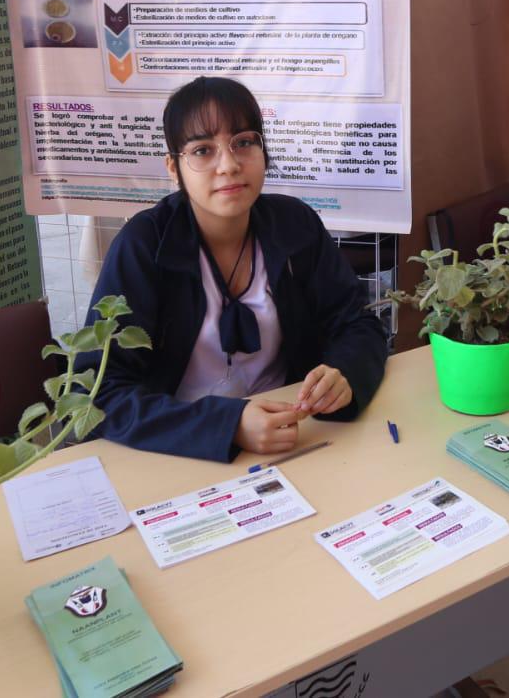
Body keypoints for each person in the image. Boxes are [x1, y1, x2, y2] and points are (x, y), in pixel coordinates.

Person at [81, 76, 388, 461]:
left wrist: (345, 373)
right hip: (179, 450)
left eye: (244, 142)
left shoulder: (295, 225)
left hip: (295, 436)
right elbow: (98, 392)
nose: (228, 165)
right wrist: (228, 425)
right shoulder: (144, 246)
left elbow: (358, 324)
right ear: (173, 167)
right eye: (202, 150)